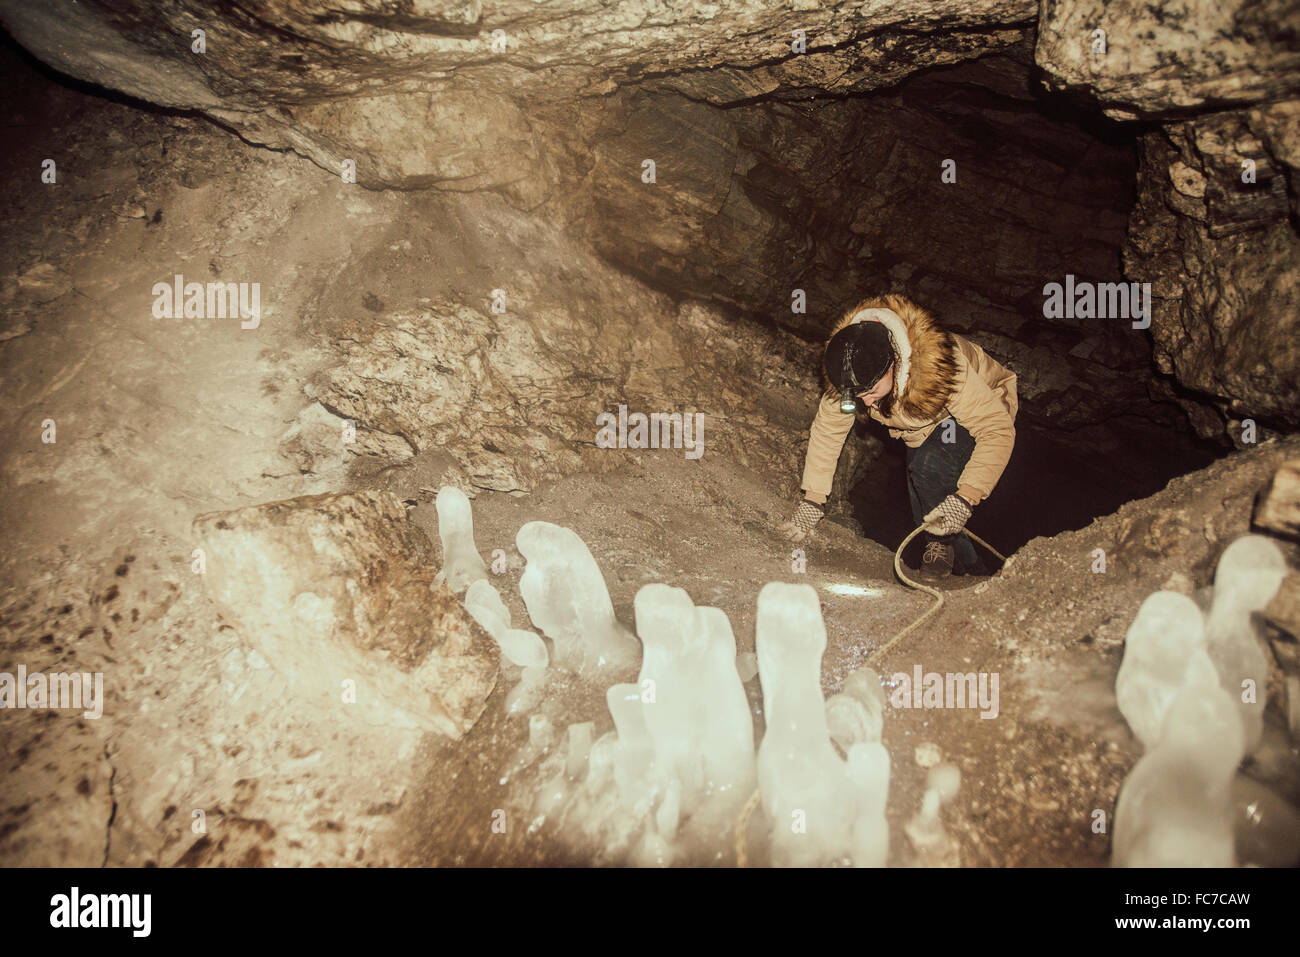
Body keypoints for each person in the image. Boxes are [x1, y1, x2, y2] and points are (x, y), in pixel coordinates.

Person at [781, 294, 1018, 579]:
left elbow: (996, 429)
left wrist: (966, 497)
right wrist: (813, 499)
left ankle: (967, 568)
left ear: (894, 361)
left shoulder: (945, 366)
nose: (866, 404)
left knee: (930, 469)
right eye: (858, 396)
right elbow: (828, 430)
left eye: (870, 392)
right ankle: (969, 568)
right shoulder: (849, 368)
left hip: (981, 405)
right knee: (923, 505)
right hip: (921, 422)